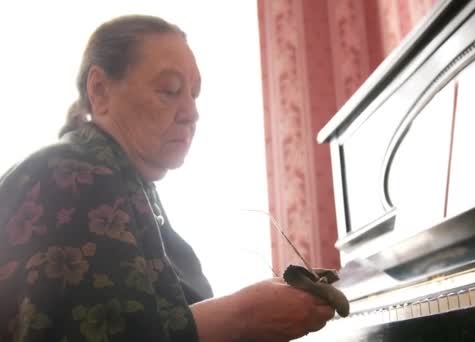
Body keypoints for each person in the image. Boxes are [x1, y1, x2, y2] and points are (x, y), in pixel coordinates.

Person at [0, 15, 334, 342]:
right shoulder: (69, 178)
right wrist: (242, 317)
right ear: (100, 90)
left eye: (194, 93)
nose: (192, 112)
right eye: (170, 90)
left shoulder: (124, 180)